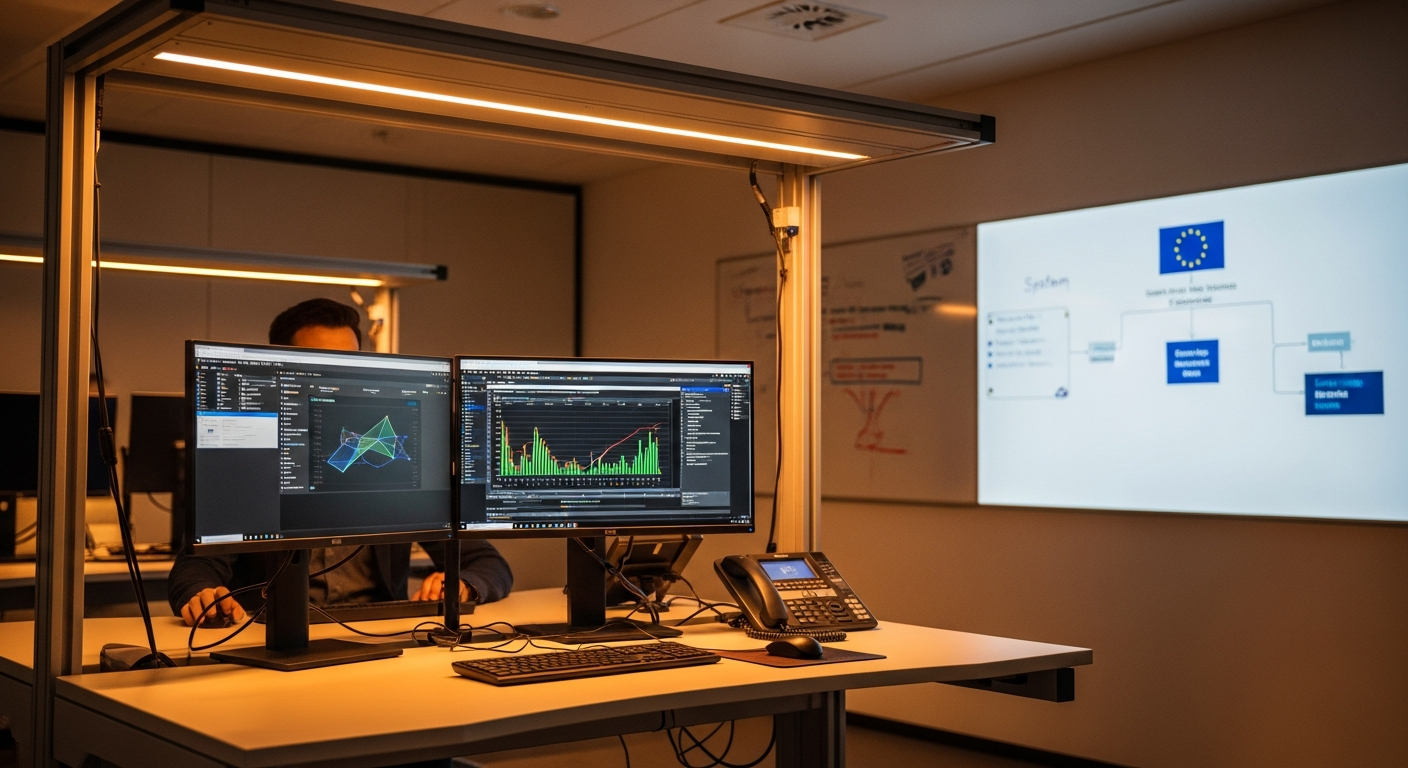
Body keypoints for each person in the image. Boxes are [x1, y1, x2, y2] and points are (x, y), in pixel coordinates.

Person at [169, 298, 513, 626]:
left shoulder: (392, 459)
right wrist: (201, 594)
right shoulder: (250, 464)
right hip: (274, 633)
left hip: (381, 637)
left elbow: (488, 563)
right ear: (282, 371)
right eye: (321, 365)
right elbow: (196, 567)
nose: (339, 377)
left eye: (349, 364)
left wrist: (463, 584)